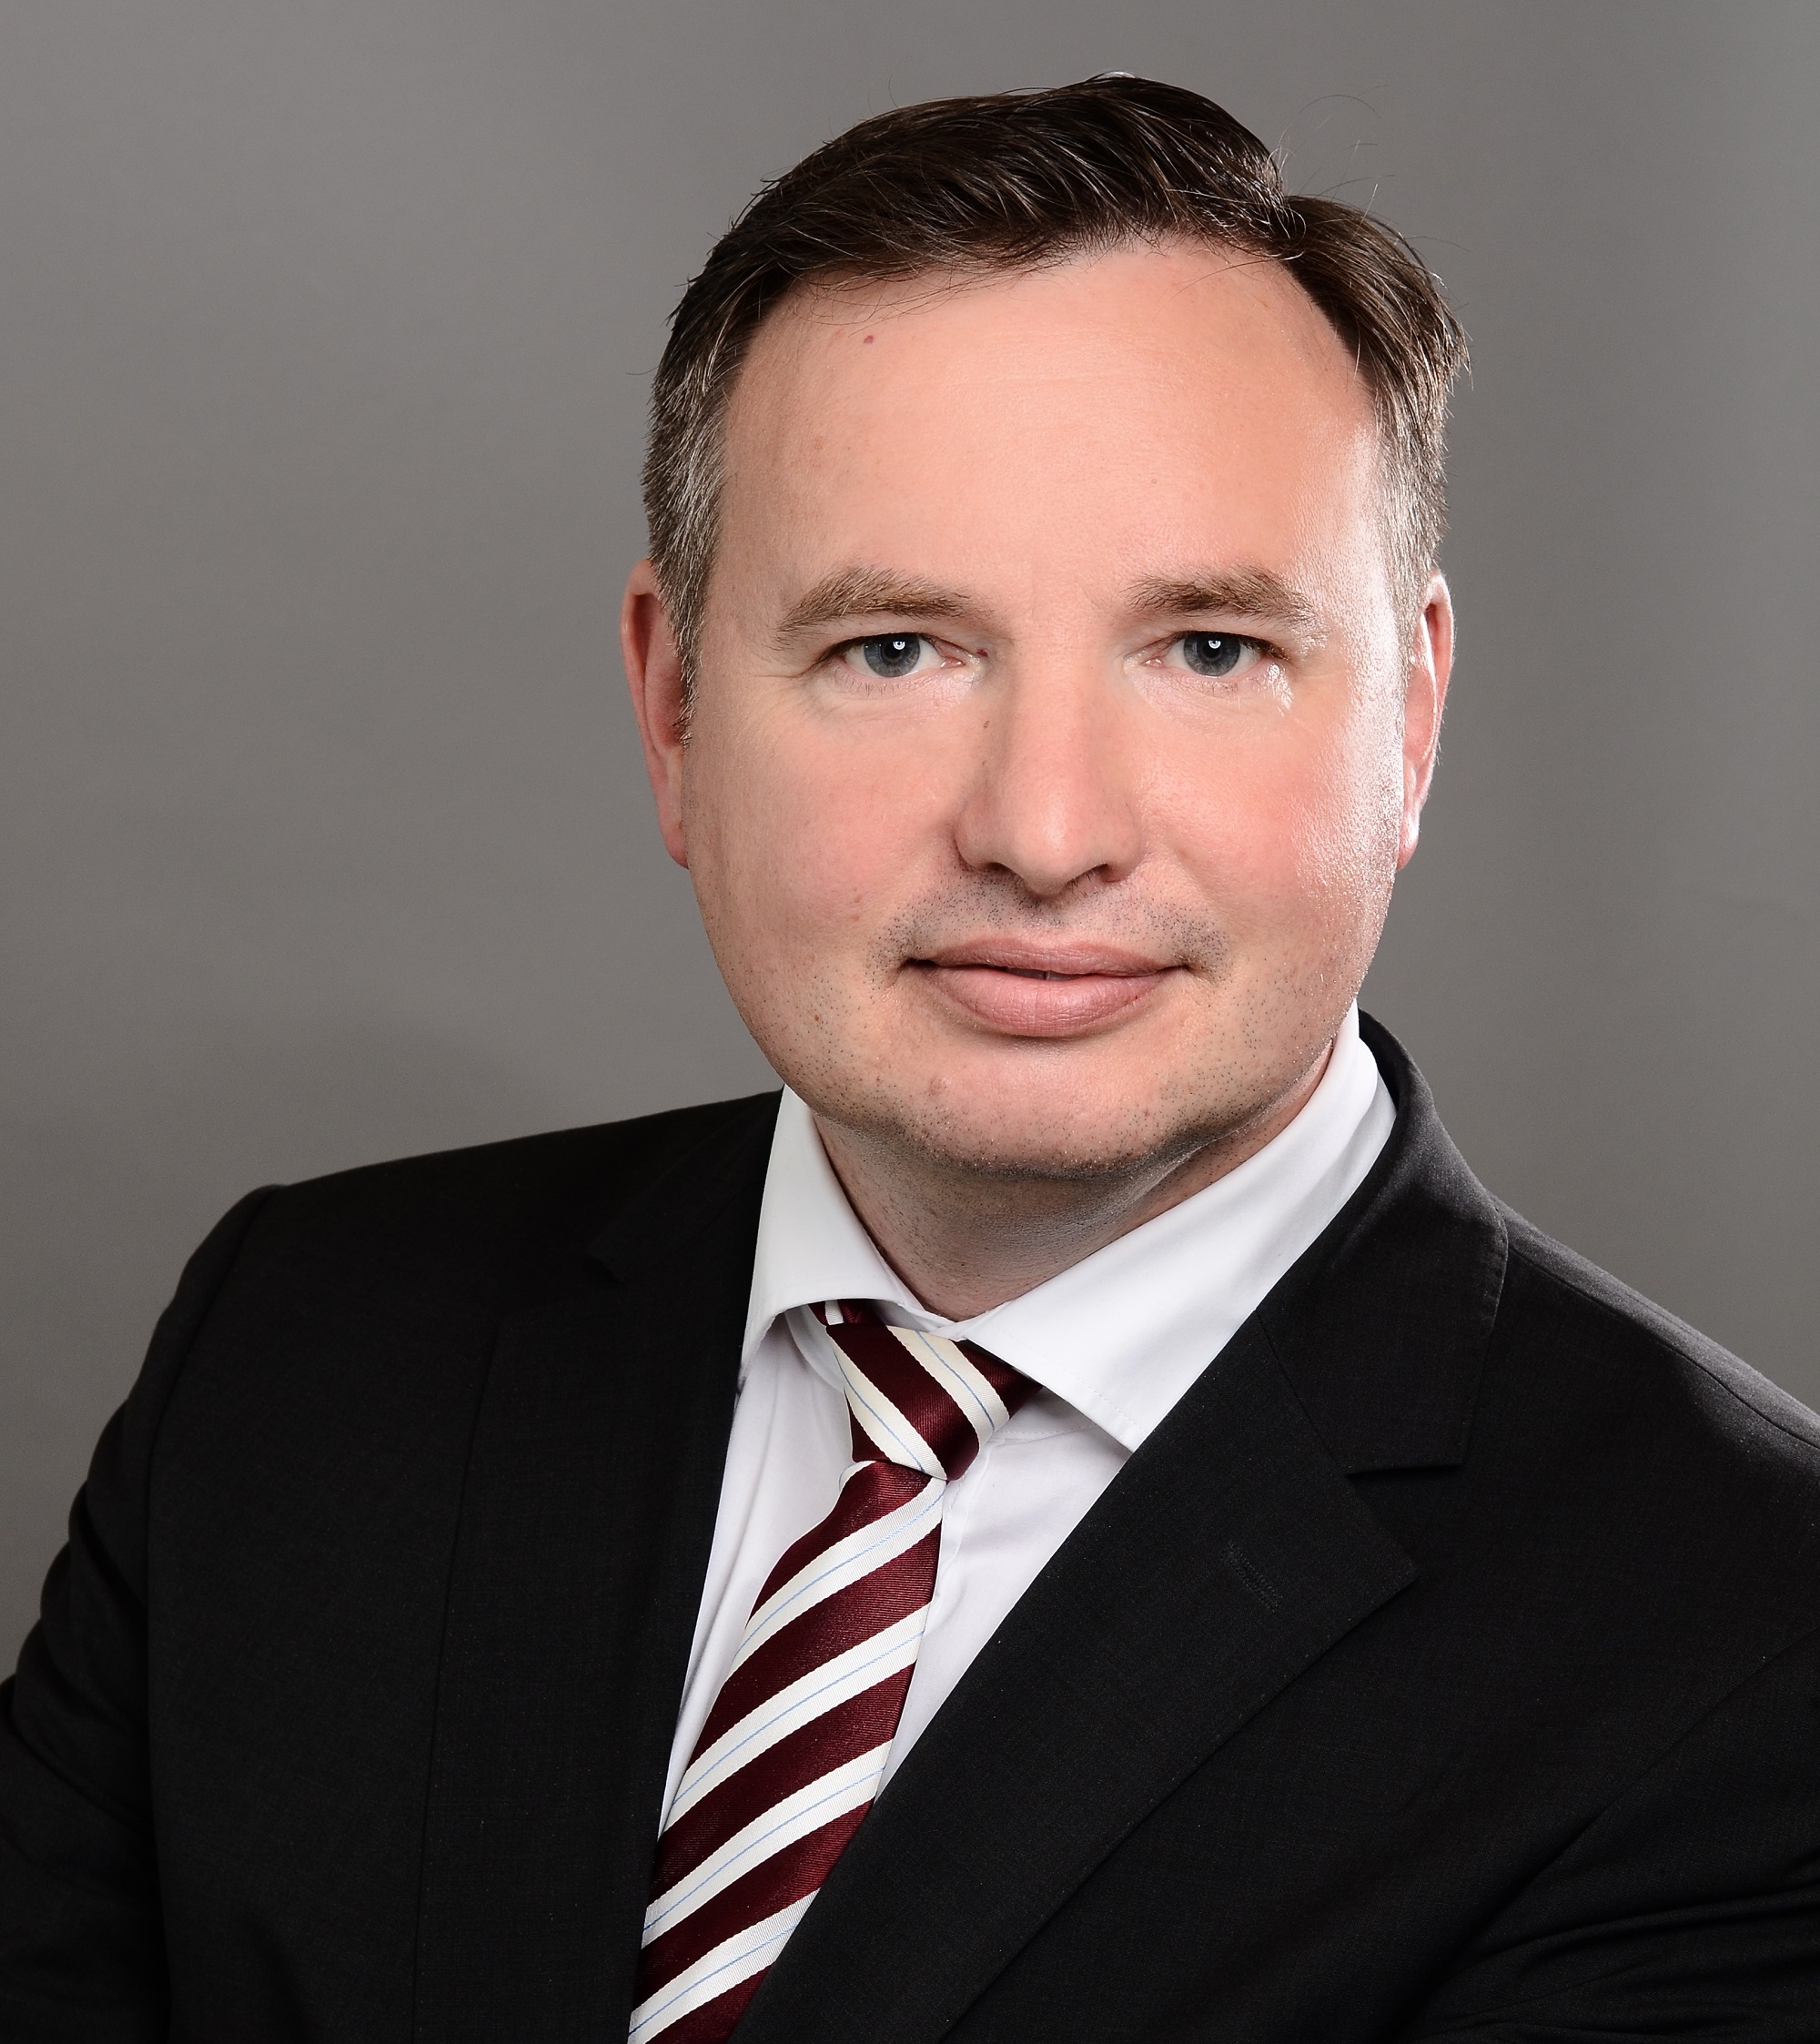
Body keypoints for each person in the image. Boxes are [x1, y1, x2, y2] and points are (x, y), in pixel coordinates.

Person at [3, 73, 1817, 2044]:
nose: (1044, 830)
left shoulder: (1745, 1633)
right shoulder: (300, 1348)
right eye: (894, 649)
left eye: (1210, 648)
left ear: (1412, 721)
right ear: (675, 713)